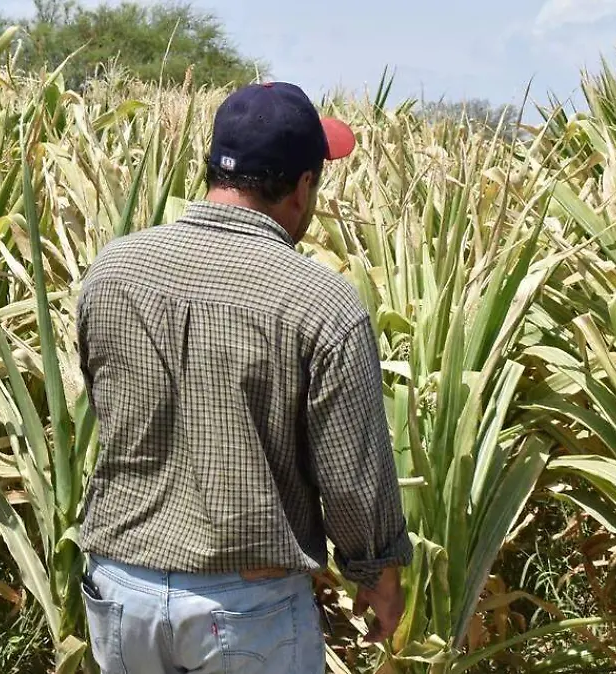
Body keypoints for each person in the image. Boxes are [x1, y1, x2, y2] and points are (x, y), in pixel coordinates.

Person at [74, 81, 413, 673]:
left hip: (121, 588)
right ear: (303, 185)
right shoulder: (320, 302)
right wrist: (376, 573)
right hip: (244, 603)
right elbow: (354, 475)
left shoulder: (112, 269)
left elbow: (102, 405)